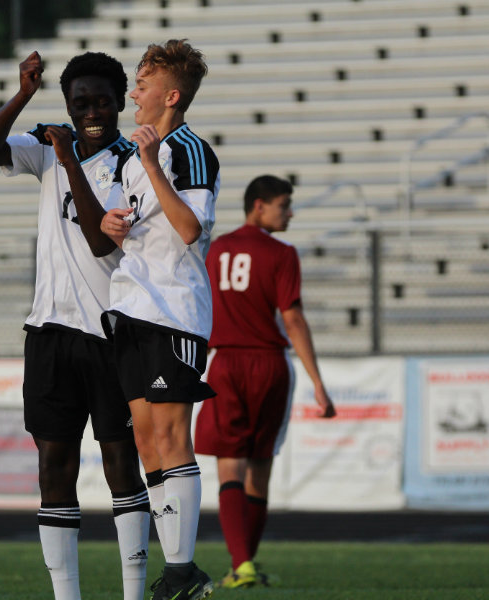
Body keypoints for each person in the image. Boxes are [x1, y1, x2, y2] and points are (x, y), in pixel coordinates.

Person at [0, 51, 150, 600]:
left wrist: (67, 155)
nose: (91, 110)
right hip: (49, 331)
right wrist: (22, 96)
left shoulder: (132, 163)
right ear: (66, 104)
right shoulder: (47, 149)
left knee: (121, 460)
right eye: (79, 102)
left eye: (101, 101)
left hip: (111, 332)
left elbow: (99, 239)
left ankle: (132, 592)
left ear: (119, 102)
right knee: (53, 464)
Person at [98, 39, 219, 600]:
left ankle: (182, 569)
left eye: (142, 84)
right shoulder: (128, 156)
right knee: (147, 441)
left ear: (171, 96)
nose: (132, 92)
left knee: (172, 435)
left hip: (174, 311)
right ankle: (177, 570)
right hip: (132, 307)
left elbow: (191, 229)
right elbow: (145, 224)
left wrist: (152, 163)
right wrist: (113, 227)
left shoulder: (190, 149)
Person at [194, 175, 336, 588]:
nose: (289, 212)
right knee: (260, 470)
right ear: (259, 205)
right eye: (284, 204)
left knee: (230, 469)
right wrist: (318, 384)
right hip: (270, 365)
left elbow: (200, 311)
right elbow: (292, 317)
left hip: (226, 364)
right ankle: (245, 565)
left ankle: (242, 566)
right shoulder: (282, 253)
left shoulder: (215, 248)